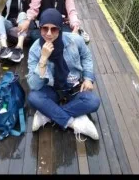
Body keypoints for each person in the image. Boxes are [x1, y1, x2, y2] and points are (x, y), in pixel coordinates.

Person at [26, 8, 101, 141]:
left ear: (60, 29)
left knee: (93, 101)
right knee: (34, 97)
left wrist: (88, 78)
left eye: (54, 29)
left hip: (73, 87)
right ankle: (75, 123)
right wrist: (43, 59)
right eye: (44, 29)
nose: (48, 33)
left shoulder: (75, 40)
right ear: (40, 28)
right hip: (52, 89)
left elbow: (87, 57)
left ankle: (47, 115)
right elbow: (34, 85)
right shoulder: (35, 50)